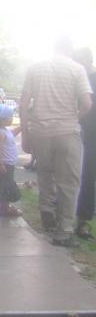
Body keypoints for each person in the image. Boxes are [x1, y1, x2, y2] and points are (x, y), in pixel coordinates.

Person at [19, 38, 92, 247]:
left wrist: (25, 133)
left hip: (41, 131)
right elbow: (87, 103)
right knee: (69, 182)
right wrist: (73, 117)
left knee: (45, 173)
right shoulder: (77, 69)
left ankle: (47, 212)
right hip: (67, 131)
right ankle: (64, 230)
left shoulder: (36, 68)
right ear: (70, 49)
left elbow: (24, 102)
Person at [74, 47, 96, 239]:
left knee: (88, 176)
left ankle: (83, 220)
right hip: (73, 130)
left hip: (91, 133)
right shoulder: (74, 78)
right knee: (68, 174)